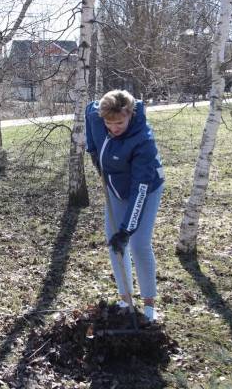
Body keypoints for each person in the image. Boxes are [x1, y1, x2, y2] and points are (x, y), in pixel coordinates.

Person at [85, 89, 165, 323]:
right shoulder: (96, 115)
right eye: (109, 123)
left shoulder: (144, 141)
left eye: (119, 122)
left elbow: (139, 190)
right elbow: (89, 112)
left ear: (130, 113)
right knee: (114, 244)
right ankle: (125, 299)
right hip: (115, 185)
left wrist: (126, 230)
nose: (114, 127)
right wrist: (92, 149)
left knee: (138, 244)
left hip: (146, 188)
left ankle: (149, 304)